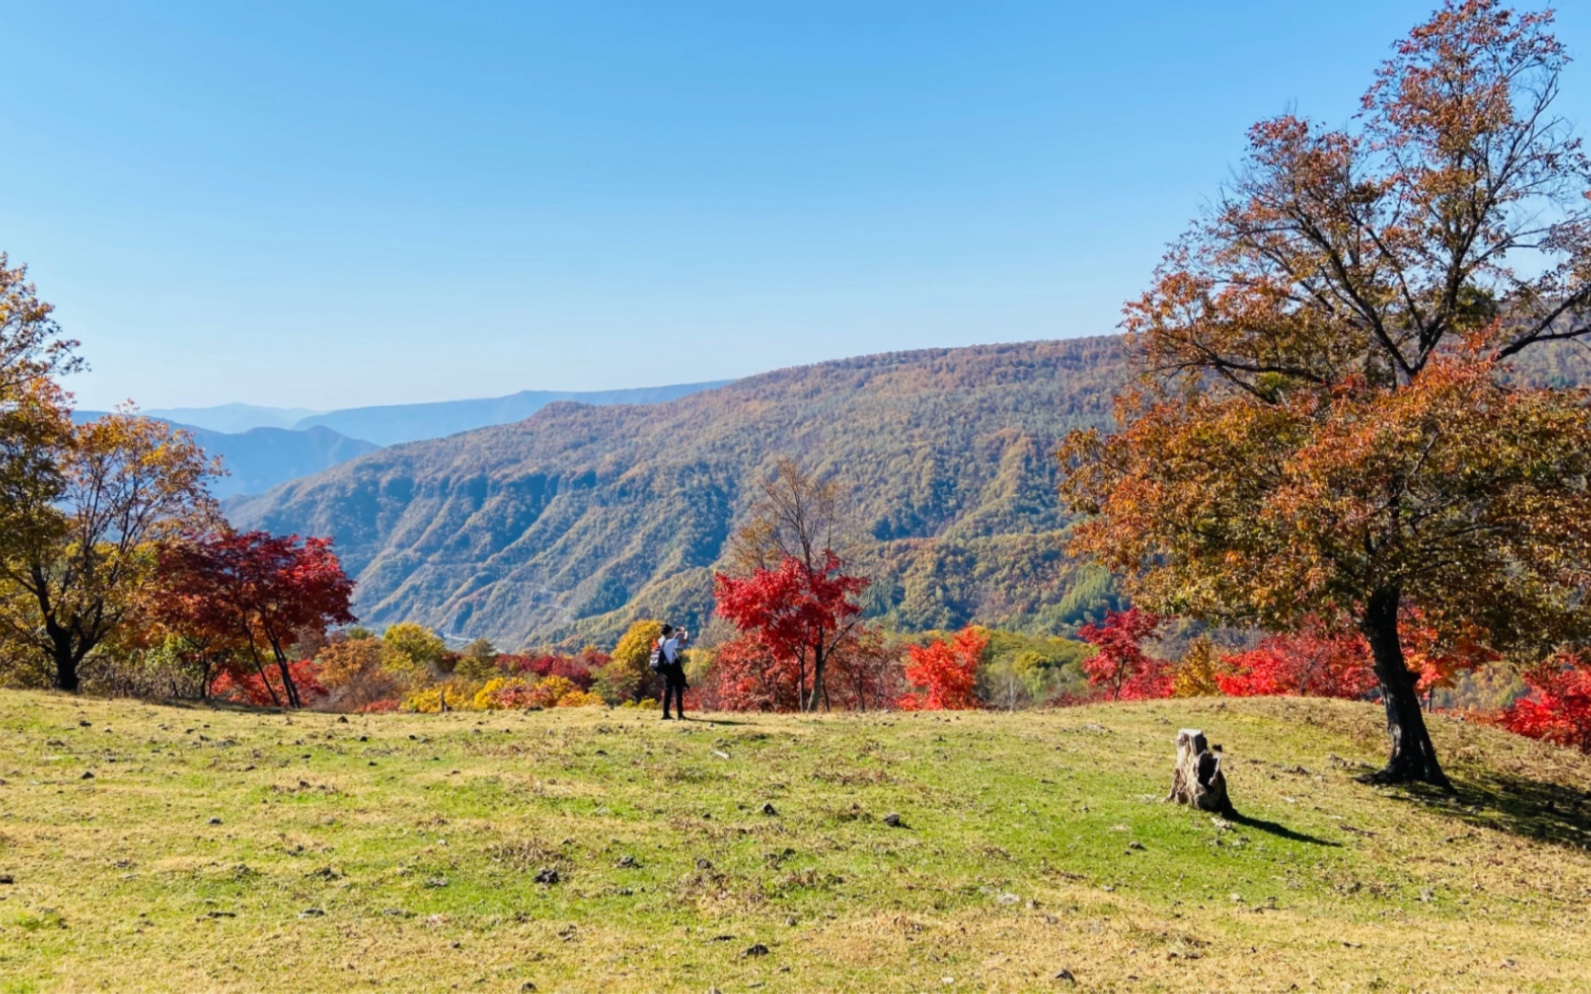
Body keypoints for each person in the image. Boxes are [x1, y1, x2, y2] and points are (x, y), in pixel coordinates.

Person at [658, 624, 690, 720]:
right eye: (671, 631)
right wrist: (685, 631)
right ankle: (680, 714)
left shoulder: (660, 641)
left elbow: (671, 641)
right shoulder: (670, 643)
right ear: (668, 632)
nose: (672, 633)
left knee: (668, 691)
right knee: (678, 690)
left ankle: (665, 714)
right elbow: (685, 639)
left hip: (665, 669)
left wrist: (676, 634)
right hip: (674, 669)